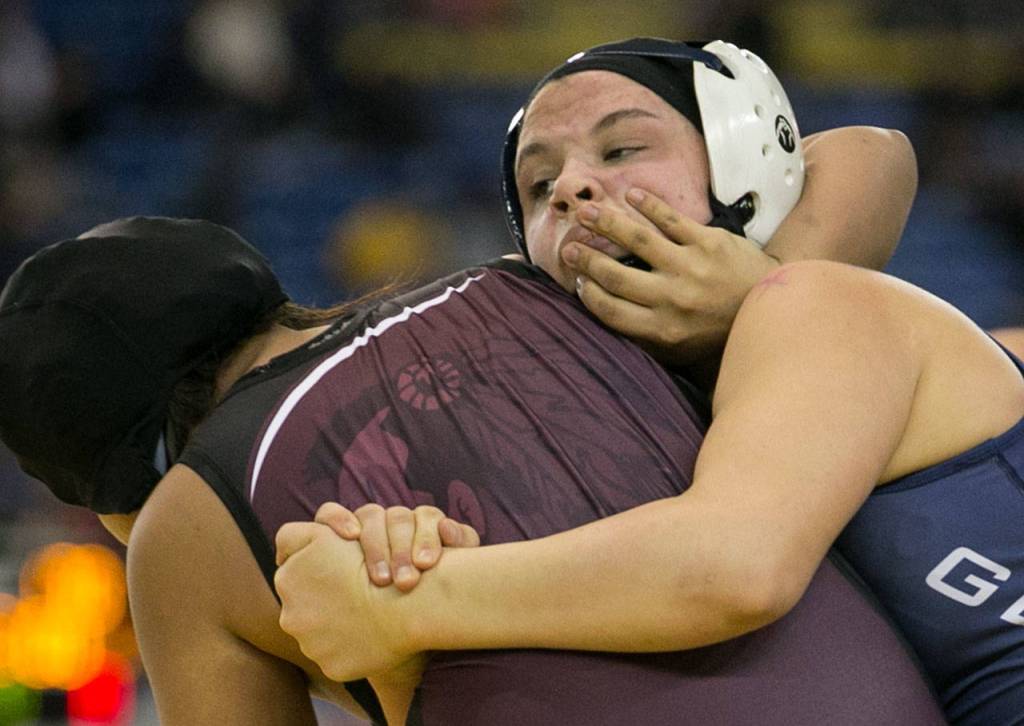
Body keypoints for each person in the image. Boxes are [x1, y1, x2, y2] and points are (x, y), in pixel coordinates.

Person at [0, 44, 940, 726]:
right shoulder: (552, 282)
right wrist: (759, 294)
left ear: (114, 491)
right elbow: (870, 150)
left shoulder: (179, 531)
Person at [272, 39, 1024, 725]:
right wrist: (405, 578)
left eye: (623, 147)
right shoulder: (630, 432)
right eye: (539, 187)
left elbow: (732, 570)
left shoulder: (819, 300)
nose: (570, 188)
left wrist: (405, 604)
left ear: (743, 160)